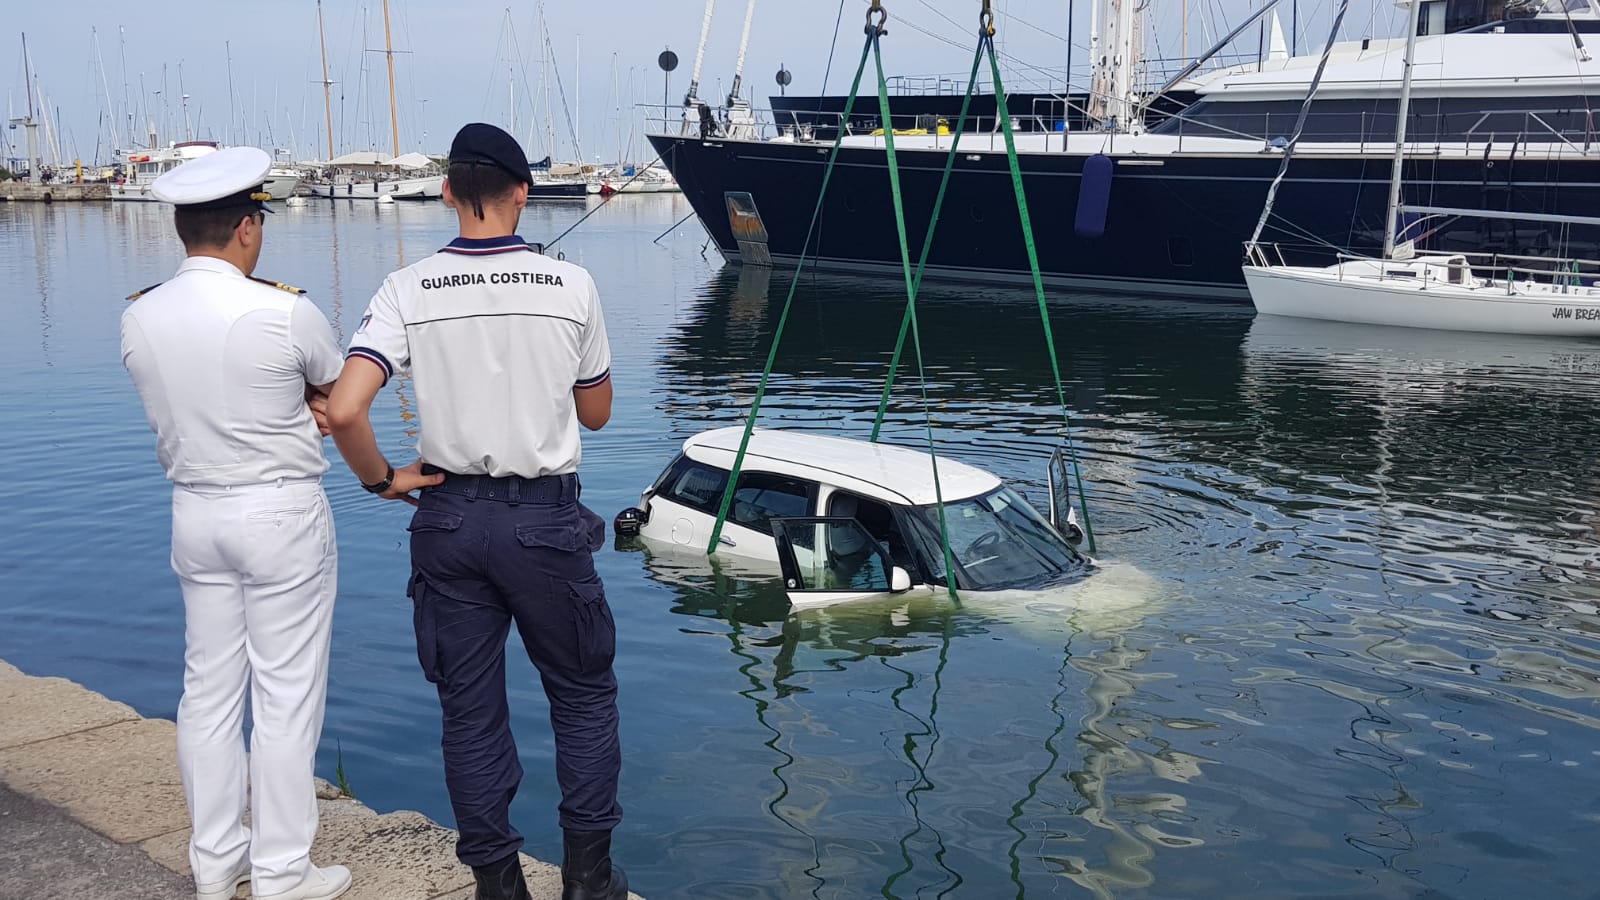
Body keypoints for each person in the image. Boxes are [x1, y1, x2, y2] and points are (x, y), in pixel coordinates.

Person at [326, 123, 627, 900]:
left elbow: (347, 409)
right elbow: (595, 414)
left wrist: (382, 481)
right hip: (545, 524)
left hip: (449, 522)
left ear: (451, 192)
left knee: (470, 711)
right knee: (584, 696)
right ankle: (589, 881)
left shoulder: (406, 288)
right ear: (522, 192)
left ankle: (497, 884)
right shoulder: (573, 286)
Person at [120, 146, 352, 900]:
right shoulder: (285, 310)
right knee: (286, 697)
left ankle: (215, 864)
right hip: (280, 512)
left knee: (209, 692)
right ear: (248, 227)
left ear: (184, 230)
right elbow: (337, 394)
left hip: (194, 513)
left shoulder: (140, 315)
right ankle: (284, 871)